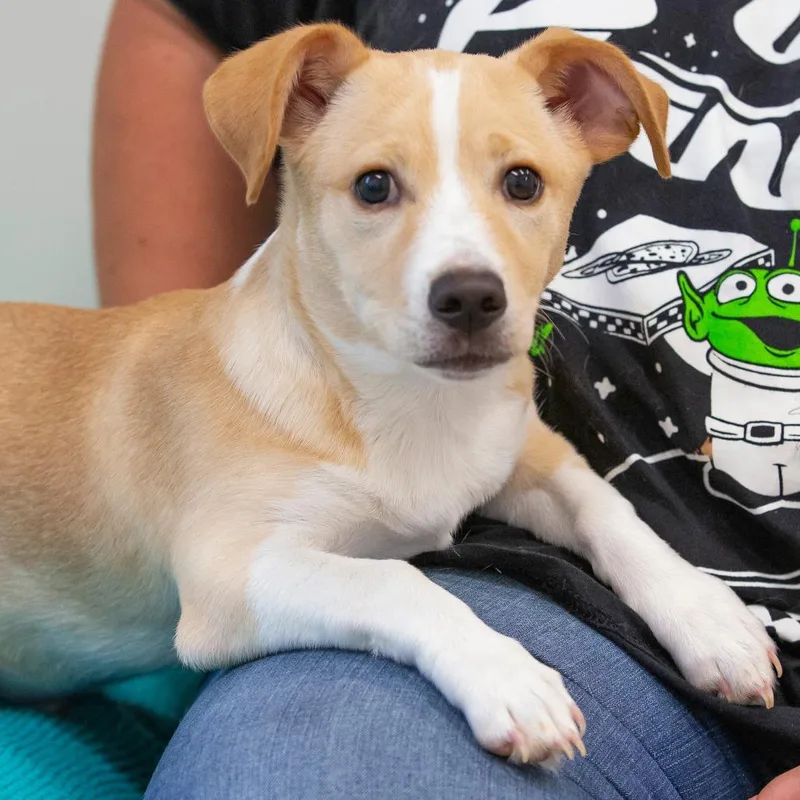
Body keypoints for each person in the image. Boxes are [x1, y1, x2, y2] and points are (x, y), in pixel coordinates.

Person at [92, 0, 800, 797]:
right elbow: (222, 597)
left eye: (521, 184)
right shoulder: (243, 390)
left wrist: (656, 573)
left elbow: (526, 462)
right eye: (375, 188)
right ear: (290, 124)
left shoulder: (487, 406)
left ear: (597, 124)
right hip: (527, 610)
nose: (464, 273)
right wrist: (440, 629)